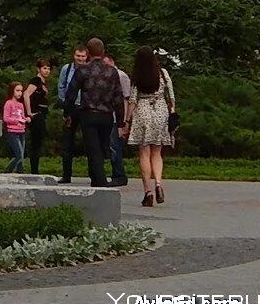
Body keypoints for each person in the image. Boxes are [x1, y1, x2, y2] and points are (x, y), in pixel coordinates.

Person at [61, 38, 125, 187]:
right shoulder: (112, 71)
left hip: (88, 113)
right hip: (107, 115)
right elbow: (118, 98)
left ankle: (99, 180)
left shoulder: (83, 70)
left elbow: (71, 93)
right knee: (103, 146)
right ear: (103, 52)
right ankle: (98, 177)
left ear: (88, 53)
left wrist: (67, 113)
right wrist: (121, 121)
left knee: (92, 147)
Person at [127, 46, 176, 207]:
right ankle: (159, 184)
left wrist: (127, 120)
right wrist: (172, 112)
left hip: (143, 111)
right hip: (160, 110)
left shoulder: (137, 76)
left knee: (144, 153)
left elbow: (133, 99)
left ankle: (148, 191)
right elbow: (171, 95)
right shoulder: (162, 73)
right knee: (157, 152)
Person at [56, 43, 88, 183]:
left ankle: (93, 173)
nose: (80, 59)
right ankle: (66, 174)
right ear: (73, 56)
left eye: (83, 56)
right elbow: (61, 86)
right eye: (78, 56)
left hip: (86, 107)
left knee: (89, 141)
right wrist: (65, 105)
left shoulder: (89, 69)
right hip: (71, 107)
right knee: (68, 142)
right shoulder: (67, 69)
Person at [104, 53, 132, 186]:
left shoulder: (121, 76)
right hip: (108, 115)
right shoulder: (105, 76)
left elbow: (126, 99)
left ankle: (119, 174)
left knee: (115, 146)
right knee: (109, 146)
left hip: (117, 117)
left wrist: (125, 121)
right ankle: (114, 173)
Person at [25, 59, 52, 174]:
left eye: (48, 68)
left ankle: (35, 168)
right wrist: (29, 112)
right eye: (44, 68)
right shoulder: (36, 81)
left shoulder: (43, 83)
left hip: (42, 114)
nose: (47, 71)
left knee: (39, 142)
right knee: (36, 143)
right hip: (37, 115)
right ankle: (34, 170)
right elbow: (26, 94)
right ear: (38, 69)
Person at [1, 82, 29, 172]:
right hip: (12, 132)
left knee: (21, 154)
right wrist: (17, 121)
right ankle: (8, 170)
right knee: (18, 154)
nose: (19, 93)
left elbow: (22, 116)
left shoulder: (21, 105)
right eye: (17, 90)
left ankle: (20, 171)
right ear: (12, 91)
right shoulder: (8, 103)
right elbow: (6, 118)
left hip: (21, 131)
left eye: (21, 91)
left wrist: (27, 119)